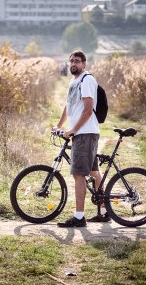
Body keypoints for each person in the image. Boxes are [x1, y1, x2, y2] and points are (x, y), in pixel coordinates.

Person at [54, 50, 110, 227]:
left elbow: (87, 109)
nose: (73, 64)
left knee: (79, 174)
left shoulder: (87, 80)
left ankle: (79, 217)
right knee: (93, 173)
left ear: (84, 64)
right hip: (83, 133)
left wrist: (72, 130)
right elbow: (68, 106)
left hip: (85, 133)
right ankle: (103, 212)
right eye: (71, 61)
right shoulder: (74, 81)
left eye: (77, 61)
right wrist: (59, 125)